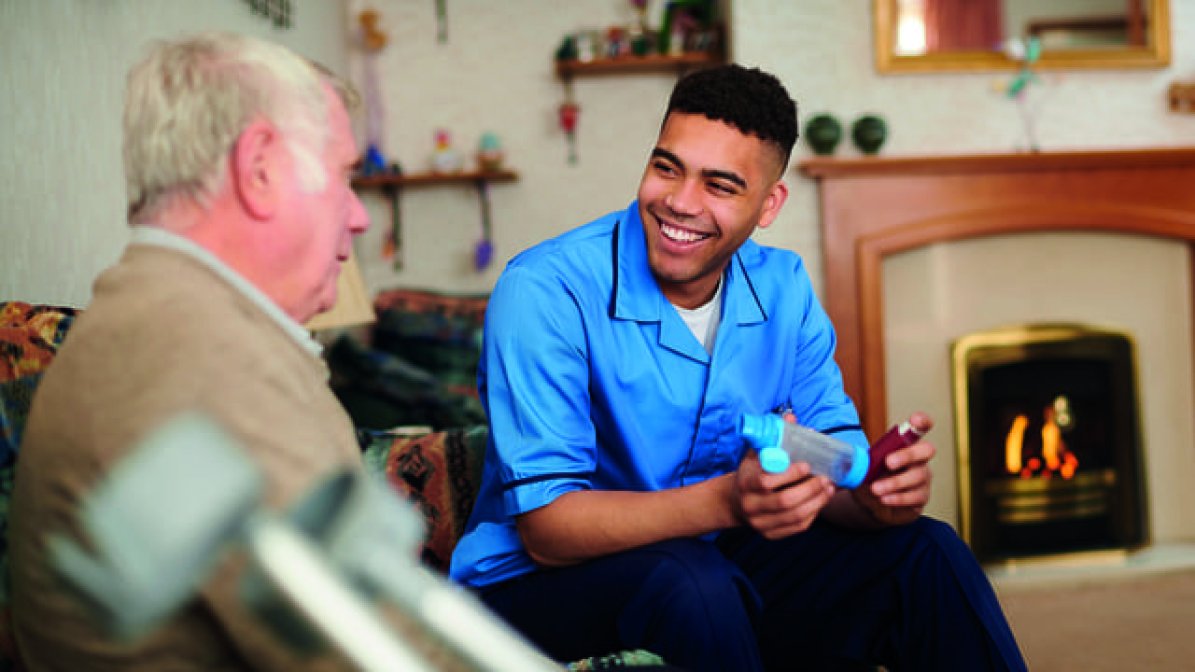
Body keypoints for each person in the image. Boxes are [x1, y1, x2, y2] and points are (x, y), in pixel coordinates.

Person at [450, 64, 1027, 671]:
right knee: (693, 583)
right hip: (534, 589)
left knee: (925, 550)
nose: (679, 202)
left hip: (716, 563)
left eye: (720, 186)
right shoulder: (544, 290)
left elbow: (827, 472)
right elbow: (546, 529)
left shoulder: (785, 290)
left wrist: (878, 499)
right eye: (666, 167)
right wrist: (729, 502)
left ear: (769, 203)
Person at [9, 33, 371, 670]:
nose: (360, 215)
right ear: (260, 168)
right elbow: (365, 650)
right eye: (345, 175)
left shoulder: (166, 316)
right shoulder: (206, 360)